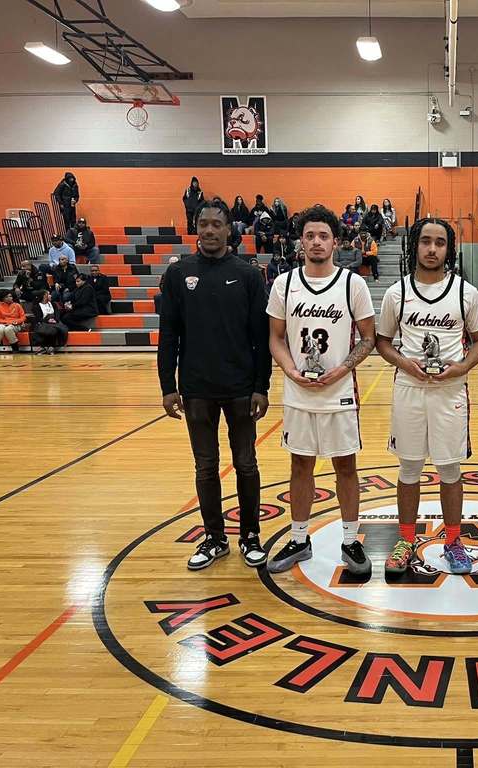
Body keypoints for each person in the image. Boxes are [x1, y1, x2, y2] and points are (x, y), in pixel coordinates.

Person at [158, 198, 272, 571]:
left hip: (240, 388)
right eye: (203, 224)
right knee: (206, 467)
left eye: (216, 225)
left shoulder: (248, 274)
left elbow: (261, 337)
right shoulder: (178, 274)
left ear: (229, 230)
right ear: (197, 228)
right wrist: (168, 386)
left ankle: (250, 535)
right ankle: (214, 538)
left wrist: (261, 386)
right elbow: (169, 334)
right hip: (196, 389)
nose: (209, 230)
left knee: (246, 465)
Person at [265, 205, 376, 576]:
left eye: (323, 236)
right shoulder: (284, 284)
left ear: (335, 241)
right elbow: (276, 338)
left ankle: (349, 542)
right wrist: (291, 370)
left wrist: (342, 369)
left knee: (346, 465)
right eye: (310, 235)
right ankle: (299, 539)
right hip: (299, 391)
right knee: (300, 463)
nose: (316, 241)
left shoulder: (353, 284)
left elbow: (369, 339)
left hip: (339, 391)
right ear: (301, 241)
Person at [376, 218, 478, 575]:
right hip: (409, 388)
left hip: (450, 389)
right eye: (425, 241)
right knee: (409, 467)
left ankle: (454, 542)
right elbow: (381, 341)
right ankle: (406, 540)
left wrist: (462, 367)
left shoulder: (465, 292)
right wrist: (404, 363)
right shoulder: (398, 293)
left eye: (439, 242)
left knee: (449, 468)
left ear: (449, 249)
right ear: (415, 245)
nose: (432, 248)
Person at [29, 289, 68, 354]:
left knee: (60, 328)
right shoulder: (36, 306)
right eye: (49, 294)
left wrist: (55, 320)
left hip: (54, 322)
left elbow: (57, 315)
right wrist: (47, 320)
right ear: (44, 296)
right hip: (43, 322)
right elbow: (38, 318)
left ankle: (47, 347)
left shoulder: (53, 304)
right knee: (50, 330)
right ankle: (48, 347)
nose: (50, 296)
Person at [0, 289, 26, 354]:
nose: (10, 298)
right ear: (2, 298)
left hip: (16, 324)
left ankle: (15, 348)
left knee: (8, 329)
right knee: (0, 330)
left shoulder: (17, 305)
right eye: (7, 297)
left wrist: (15, 322)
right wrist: (7, 322)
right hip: (4, 324)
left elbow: (23, 317)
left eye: (10, 296)